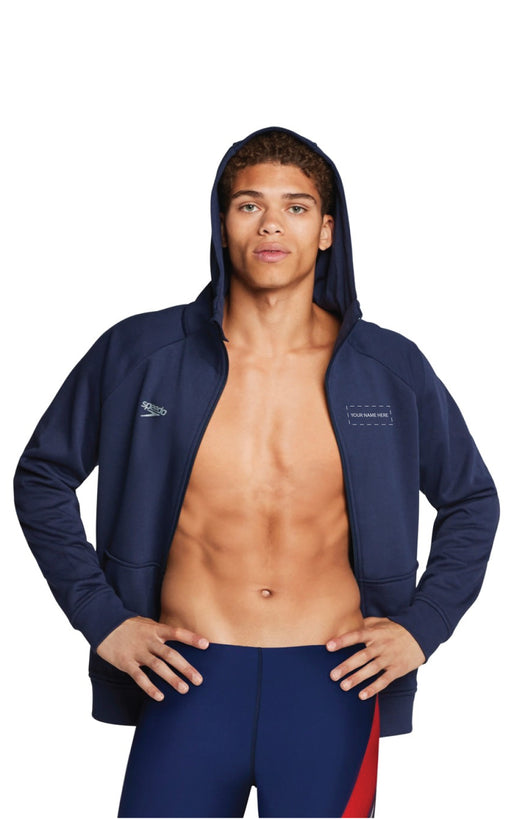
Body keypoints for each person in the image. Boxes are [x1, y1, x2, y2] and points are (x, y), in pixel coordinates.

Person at [13, 126, 499, 818]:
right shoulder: (141, 352)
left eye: (296, 207)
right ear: (222, 224)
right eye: (249, 205)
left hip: (333, 682)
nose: (272, 224)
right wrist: (103, 618)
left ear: (326, 231)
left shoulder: (388, 369)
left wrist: (423, 625)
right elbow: (42, 475)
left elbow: (472, 498)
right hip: (187, 676)